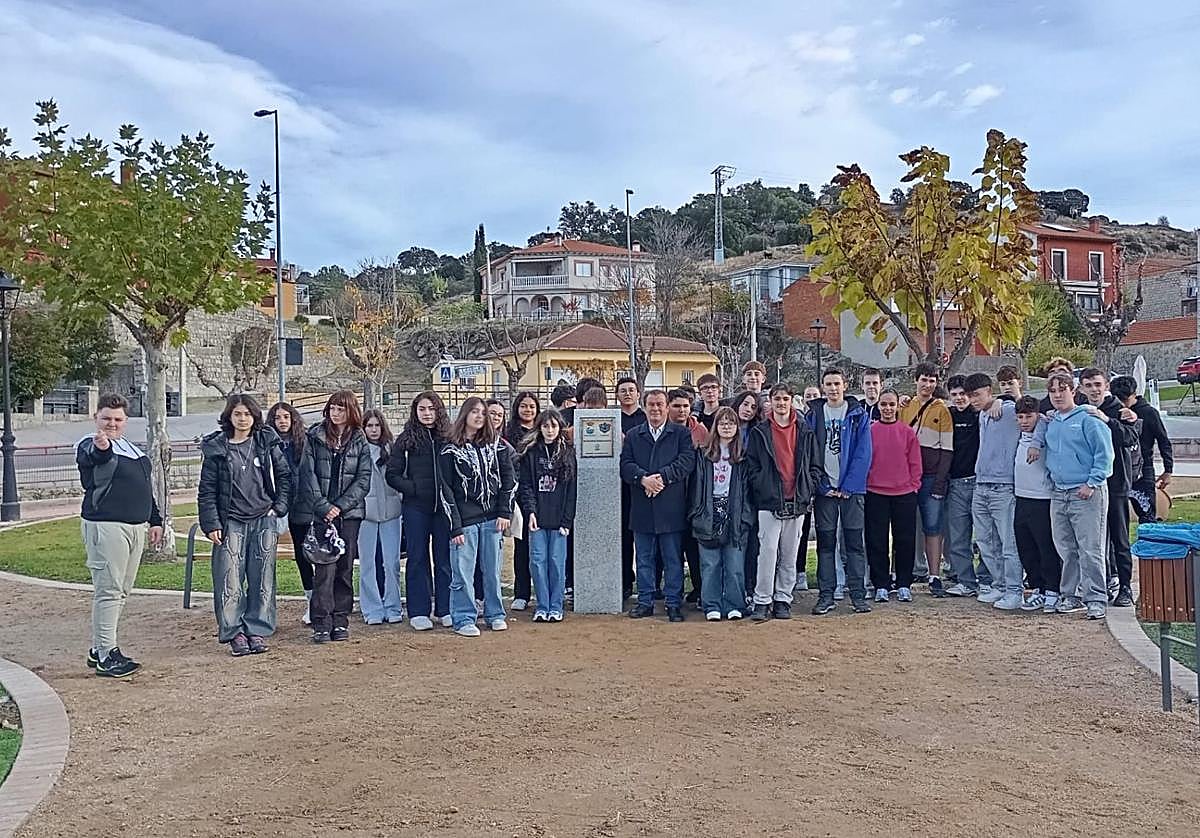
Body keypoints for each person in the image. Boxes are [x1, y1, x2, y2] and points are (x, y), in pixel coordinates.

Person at [77, 394, 164, 678]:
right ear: (96, 418)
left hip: (135, 526)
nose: (112, 424)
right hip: (107, 526)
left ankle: (99, 647)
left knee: (121, 591)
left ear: (125, 421)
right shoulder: (90, 444)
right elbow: (95, 457)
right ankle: (106, 654)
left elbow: (145, 486)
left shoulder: (131, 449)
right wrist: (102, 447)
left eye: (117, 419)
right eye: (106, 419)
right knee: (109, 590)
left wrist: (155, 520)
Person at [198, 395, 290, 656]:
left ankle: (256, 629)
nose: (242, 419)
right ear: (229, 416)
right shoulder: (217, 448)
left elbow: (284, 476)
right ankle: (234, 632)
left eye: (247, 414)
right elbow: (206, 491)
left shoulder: (265, 441)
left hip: (263, 518)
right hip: (231, 521)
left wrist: (279, 507)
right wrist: (211, 523)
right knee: (230, 579)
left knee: (263, 577)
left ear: (254, 417)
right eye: (237, 414)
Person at [300, 391, 372, 643]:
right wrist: (323, 507)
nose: (336, 413)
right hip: (322, 515)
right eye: (332, 408)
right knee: (324, 569)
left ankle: (340, 620)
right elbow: (307, 476)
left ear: (350, 411)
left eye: (341, 409)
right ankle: (321, 621)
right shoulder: (314, 436)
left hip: (349, 515)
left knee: (344, 569)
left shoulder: (360, 440)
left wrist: (340, 506)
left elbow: (364, 480)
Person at [440, 397, 515, 637]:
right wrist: (455, 526)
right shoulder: (449, 448)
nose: (479, 416)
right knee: (462, 571)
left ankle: (495, 614)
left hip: (493, 518)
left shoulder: (498, 446)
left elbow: (509, 479)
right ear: (465, 414)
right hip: (465, 519)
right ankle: (463, 618)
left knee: (492, 570)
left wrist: (505, 511)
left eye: (483, 412)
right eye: (474, 411)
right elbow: (445, 488)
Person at [744, 382, 820, 620]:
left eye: (785, 399)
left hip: (796, 500)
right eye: (776, 399)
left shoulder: (805, 430)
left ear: (791, 401)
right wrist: (762, 486)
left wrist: (808, 487)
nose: (781, 403)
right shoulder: (760, 431)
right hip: (769, 500)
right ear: (771, 402)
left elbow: (814, 464)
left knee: (790, 553)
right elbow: (752, 465)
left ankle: (783, 599)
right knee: (767, 552)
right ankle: (762, 600)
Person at [621, 389, 697, 622]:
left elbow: (686, 462)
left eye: (660, 405)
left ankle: (673, 603)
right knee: (644, 558)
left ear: (667, 408)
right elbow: (625, 464)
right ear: (644, 407)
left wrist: (662, 478)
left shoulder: (681, 434)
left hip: (671, 507)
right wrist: (643, 478)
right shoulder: (634, 435)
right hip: (642, 507)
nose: (655, 409)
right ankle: (645, 602)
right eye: (651, 405)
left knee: (673, 559)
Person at [1043, 372, 1114, 620]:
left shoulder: (1089, 419)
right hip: (1059, 492)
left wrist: (1092, 482)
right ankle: (1070, 594)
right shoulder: (1052, 421)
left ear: (1073, 391)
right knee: (1065, 547)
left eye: (1063, 389)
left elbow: (1104, 455)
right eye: (1053, 391)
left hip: (1085, 492)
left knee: (1090, 547)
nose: (1058, 394)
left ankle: (1095, 597)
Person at [805, 369, 873, 615]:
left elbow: (863, 453)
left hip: (851, 493)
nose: (833, 388)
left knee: (854, 543)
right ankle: (826, 595)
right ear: (822, 387)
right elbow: (808, 453)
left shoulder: (858, 415)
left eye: (837, 383)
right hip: (825, 493)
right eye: (828, 384)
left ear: (845, 385)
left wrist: (848, 486)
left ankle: (857, 595)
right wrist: (822, 485)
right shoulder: (814, 415)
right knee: (825, 544)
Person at [386, 391, 454, 632]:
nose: (427, 414)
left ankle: (445, 609)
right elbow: (392, 474)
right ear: (415, 412)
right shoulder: (406, 439)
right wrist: (413, 489)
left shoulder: (450, 438)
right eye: (422, 409)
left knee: (445, 560)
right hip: (416, 508)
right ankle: (418, 611)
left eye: (431, 409)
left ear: (439, 411)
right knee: (417, 559)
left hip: (444, 510)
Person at [1078, 368, 1140, 608]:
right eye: (1088, 385)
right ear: (1081, 388)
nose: (1093, 389)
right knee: (1093, 539)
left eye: (1097, 384)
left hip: (1115, 485)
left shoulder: (1120, 410)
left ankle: (1125, 586)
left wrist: (1108, 420)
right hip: (1089, 484)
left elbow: (1130, 438)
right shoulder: (1080, 409)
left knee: (1119, 537)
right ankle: (1100, 584)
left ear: (1105, 385)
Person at [964, 373, 1024, 611]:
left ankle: (1014, 590)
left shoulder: (1008, 410)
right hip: (981, 484)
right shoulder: (981, 416)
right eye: (970, 396)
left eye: (977, 394)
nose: (973, 400)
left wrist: (1004, 399)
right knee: (985, 540)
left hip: (1003, 486)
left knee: (1008, 543)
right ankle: (999, 584)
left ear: (989, 390)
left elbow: (1027, 407)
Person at [688, 407, 754, 620]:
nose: (727, 427)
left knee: (734, 563)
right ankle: (712, 604)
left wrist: (745, 517)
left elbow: (747, 491)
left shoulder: (743, 457)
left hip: (734, 512)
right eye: (722, 423)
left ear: (737, 428)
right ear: (716, 426)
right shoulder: (703, 455)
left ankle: (735, 603)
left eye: (731, 423)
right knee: (710, 563)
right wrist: (696, 512)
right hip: (708, 510)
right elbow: (695, 487)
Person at [517, 408, 577, 623]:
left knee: (556, 561)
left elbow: (571, 490)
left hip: (559, 519)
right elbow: (525, 486)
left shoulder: (568, 453)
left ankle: (556, 605)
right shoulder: (531, 453)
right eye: (545, 426)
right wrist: (530, 511)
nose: (550, 430)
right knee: (538, 561)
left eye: (553, 426)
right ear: (539, 428)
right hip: (537, 518)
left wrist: (567, 520)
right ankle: (542, 605)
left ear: (560, 427)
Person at [899, 362, 954, 596]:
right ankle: (906, 572)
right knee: (907, 526)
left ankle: (934, 575)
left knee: (933, 526)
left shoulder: (942, 409)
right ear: (916, 380)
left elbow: (947, 449)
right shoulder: (906, 407)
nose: (928, 384)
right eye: (924, 379)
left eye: (932, 380)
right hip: (908, 476)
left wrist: (940, 482)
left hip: (931, 476)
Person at [864, 389, 922, 602]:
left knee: (905, 540)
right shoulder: (870, 431)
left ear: (898, 406)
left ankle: (904, 583)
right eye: (884, 405)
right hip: (876, 492)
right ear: (878, 406)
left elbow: (915, 462)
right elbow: (865, 459)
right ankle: (881, 584)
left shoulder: (907, 432)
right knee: (876, 540)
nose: (887, 409)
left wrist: (914, 485)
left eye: (891, 405)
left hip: (904, 493)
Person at [941, 376, 991, 597]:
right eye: (955, 395)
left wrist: (998, 402)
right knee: (959, 536)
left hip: (978, 482)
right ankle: (966, 581)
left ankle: (987, 579)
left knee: (985, 536)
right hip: (955, 484)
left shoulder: (980, 414)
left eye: (964, 394)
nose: (960, 398)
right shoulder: (947, 415)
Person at [267, 402, 315, 625]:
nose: (282, 421)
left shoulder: (305, 442)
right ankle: (264, 609)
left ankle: (313, 602)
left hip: (301, 508)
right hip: (272, 507)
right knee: (265, 558)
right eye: (277, 418)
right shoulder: (266, 443)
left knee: (304, 554)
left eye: (286, 417)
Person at [1014, 396, 1061, 613]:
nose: (1024, 421)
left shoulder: (1045, 432)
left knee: (1045, 547)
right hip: (1021, 497)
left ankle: (1053, 589)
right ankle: (1038, 587)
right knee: (1026, 547)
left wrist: (1041, 420)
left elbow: (1046, 420)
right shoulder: (1020, 436)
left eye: (1029, 416)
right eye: (1020, 417)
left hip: (1042, 498)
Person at [358, 409, 403, 625]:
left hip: (392, 512)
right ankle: (371, 608)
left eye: (377, 425)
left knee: (391, 563)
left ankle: (393, 606)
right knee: (367, 563)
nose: (374, 430)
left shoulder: (393, 450)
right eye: (369, 426)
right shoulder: (357, 451)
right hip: (365, 514)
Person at [1113, 374, 1173, 523]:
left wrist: (1168, 470)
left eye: (1125, 400)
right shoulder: (1114, 411)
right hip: (1119, 467)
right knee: (1117, 515)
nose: (1123, 404)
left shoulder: (1149, 413)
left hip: (1142, 469)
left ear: (1134, 394)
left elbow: (1163, 440)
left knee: (1146, 512)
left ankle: (1149, 543)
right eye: (1118, 400)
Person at [669, 387, 706, 604]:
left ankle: (700, 588)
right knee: (671, 550)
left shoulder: (700, 431)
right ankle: (670, 592)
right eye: (677, 406)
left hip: (694, 497)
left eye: (685, 406)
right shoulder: (663, 431)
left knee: (694, 549)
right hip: (670, 498)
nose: (682, 410)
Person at [504, 391, 540, 612]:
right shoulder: (510, 434)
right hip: (520, 495)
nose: (528, 410)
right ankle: (522, 593)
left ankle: (548, 591)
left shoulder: (545, 430)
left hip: (544, 496)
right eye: (524, 406)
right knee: (522, 545)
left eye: (532, 406)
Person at [616, 376, 647, 600]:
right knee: (624, 536)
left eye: (631, 390)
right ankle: (626, 581)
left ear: (638, 394)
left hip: (644, 483)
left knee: (646, 537)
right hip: (619, 486)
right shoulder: (612, 418)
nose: (627, 394)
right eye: (623, 390)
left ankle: (652, 585)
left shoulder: (646, 418)